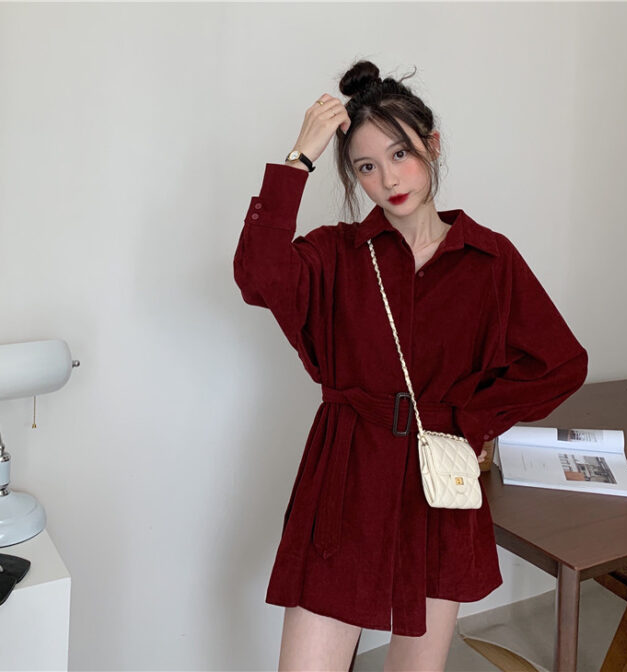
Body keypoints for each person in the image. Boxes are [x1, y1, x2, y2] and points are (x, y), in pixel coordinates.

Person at [233, 60, 588, 671]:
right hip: (347, 478)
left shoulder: (489, 260)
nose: (389, 178)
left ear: (433, 146)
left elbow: (560, 363)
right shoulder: (336, 253)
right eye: (366, 167)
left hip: (438, 488)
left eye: (400, 154)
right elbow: (257, 275)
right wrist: (299, 159)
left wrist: (469, 421)